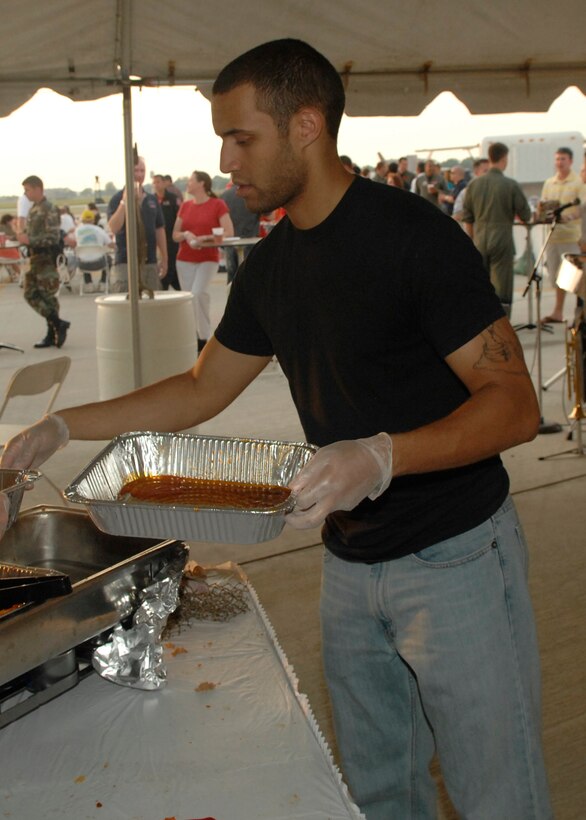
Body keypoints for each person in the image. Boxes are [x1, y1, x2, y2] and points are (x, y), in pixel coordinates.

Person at [1, 39, 552, 819]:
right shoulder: (273, 266)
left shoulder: (413, 237)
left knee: (495, 794)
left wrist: (384, 455)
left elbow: (514, 403)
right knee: (381, 790)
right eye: (222, 139)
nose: (226, 159)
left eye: (241, 136)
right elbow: (200, 390)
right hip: (351, 565)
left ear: (306, 126)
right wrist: (61, 426)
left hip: (457, 556)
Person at [462, 142, 531, 317]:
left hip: (479, 239)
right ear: (504, 158)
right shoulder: (509, 184)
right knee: (503, 288)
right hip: (502, 237)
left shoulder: (473, 185)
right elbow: (526, 215)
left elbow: (467, 218)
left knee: (480, 286)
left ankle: (481, 322)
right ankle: (503, 322)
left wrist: (472, 241)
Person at [172, 170, 234, 352]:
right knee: (189, 299)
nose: (188, 183)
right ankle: (191, 337)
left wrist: (205, 239)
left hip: (208, 257)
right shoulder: (185, 206)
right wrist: (185, 234)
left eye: (191, 180)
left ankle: (204, 338)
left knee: (198, 293)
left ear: (202, 184)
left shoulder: (218, 205)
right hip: (184, 258)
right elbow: (175, 234)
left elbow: (229, 231)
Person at [15, 175, 70, 348]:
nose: (26, 194)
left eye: (28, 190)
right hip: (35, 258)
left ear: (38, 188)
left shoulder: (48, 209)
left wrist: (29, 239)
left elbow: (52, 237)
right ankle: (57, 323)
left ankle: (52, 331)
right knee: (30, 293)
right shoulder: (34, 209)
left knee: (47, 295)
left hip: (45, 258)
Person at [107, 156, 167, 293]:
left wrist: (164, 258)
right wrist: (125, 202)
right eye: (136, 171)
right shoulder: (116, 199)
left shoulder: (152, 199)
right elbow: (114, 227)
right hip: (125, 262)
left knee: (152, 302)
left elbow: (159, 229)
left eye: (142, 171)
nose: (139, 175)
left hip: (149, 262)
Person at [538, 147, 584, 323]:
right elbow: (544, 205)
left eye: (563, 159)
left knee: (575, 278)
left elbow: (582, 208)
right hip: (553, 235)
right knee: (555, 276)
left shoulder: (578, 182)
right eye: (557, 159)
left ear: (571, 161)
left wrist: (570, 216)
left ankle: (577, 314)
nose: (559, 162)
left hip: (571, 236)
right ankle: (558, 312)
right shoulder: (549, 183)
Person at [220, 180, 260, 283]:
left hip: (229, 242)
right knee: (249, 276)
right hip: (250, 241)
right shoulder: (254, 195)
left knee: (232, 276)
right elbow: (270, 215)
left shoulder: (224, 195)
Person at [152, 173, 180, 291]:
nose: (156, 185)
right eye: (154, 182)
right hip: (157, 241)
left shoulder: (173, 199)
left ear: (164, 183)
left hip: (172, 240)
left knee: (172, 265)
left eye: (158, 182)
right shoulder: (151, 200)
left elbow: (179, 217)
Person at [74, 208, 114, 291]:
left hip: (82, 264)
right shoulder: (99, 230)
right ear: (93, 220)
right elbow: (110, 244)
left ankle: (89, 284)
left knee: (81, 256)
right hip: (99, 263)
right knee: (109, 259)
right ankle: (103, 283)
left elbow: (74, 244)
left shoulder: (77, 231)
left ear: (82, 220)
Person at [452, 157, 488, 221]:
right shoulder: (466, 193)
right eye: (485, 171)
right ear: (476, 172)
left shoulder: (498, 192)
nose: (490, 174)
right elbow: (457, 215)